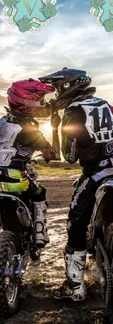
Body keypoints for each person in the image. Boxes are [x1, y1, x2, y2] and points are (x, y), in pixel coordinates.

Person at [39, 68, 113, 301]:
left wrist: (56, 128)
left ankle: (75, 288)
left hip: (97, 175)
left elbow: (69, 156)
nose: (56, 94)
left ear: (68, 87)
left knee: (75, 224)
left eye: (57, 88)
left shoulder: (73, 112)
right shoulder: (104, 104)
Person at [0, 79, 57, 248]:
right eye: (40, 101)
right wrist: (54, 129)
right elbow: (51, 154)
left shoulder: (2, 122)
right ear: (27, 103)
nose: (42, 105)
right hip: (15, 178)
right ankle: (40, 233)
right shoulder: (30, 130)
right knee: (39, 191)